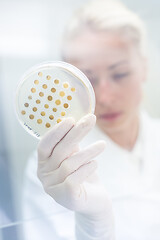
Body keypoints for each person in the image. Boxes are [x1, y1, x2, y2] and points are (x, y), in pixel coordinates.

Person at [22, 0, 160, 240]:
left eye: (120, 74)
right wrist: (93, 223)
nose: (104, 97)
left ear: (144, 68)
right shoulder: (54, 167)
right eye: (88, 80)